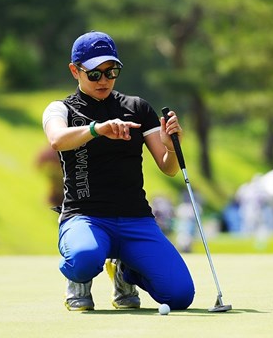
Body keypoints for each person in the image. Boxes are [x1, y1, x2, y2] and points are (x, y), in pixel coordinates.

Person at [42, 31, 195, 312]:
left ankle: (126, 271)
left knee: (180, 295)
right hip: (85, 216)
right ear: (75, 71)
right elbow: (57, 139)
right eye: (95, 74)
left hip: (135, 218)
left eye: (111, 72)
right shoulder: (60, 108)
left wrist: (171, 145)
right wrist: (97, 130)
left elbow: (168, 167)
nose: (104, 80)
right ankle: (79, 280)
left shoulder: (137, 108)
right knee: (85, 257)